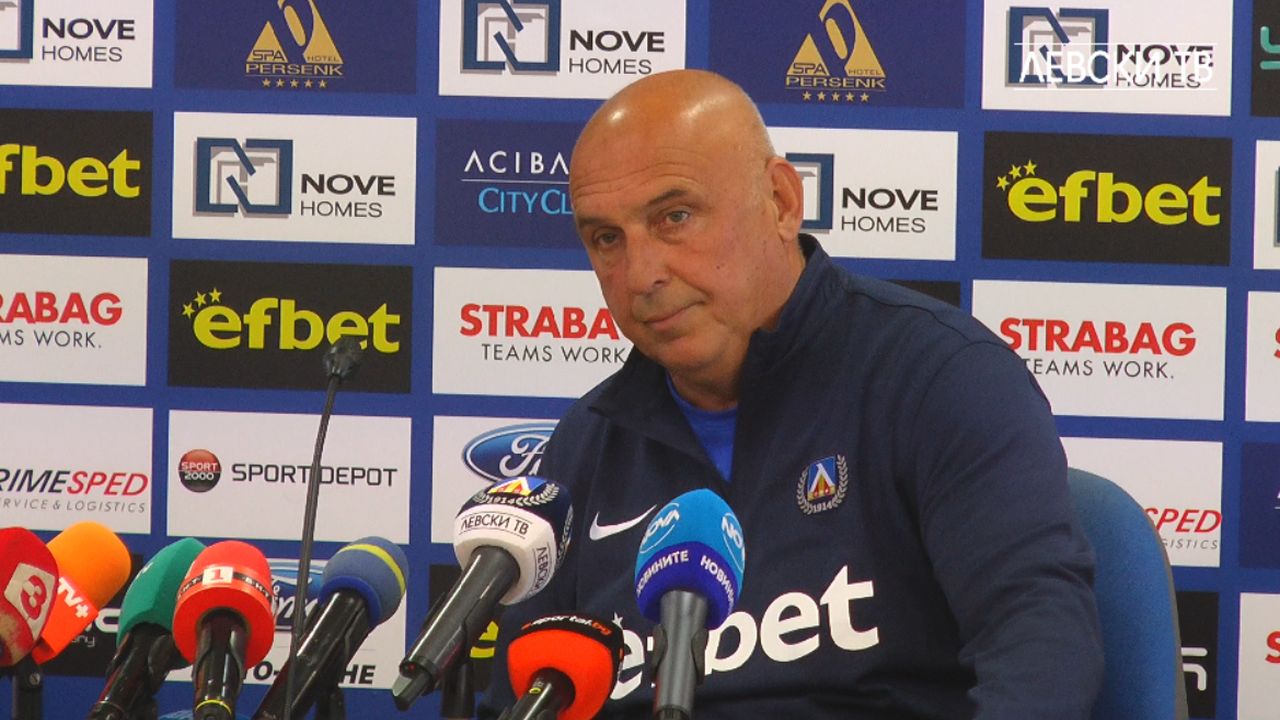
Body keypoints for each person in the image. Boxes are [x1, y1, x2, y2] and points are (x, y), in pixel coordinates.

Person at [477, 69, 1103, 719]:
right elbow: (520, 701)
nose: (641, 274)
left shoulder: (941, 378)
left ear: (779, 201)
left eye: (675, 217)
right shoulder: (587, 444)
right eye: (607, 239)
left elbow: (1041, 656)